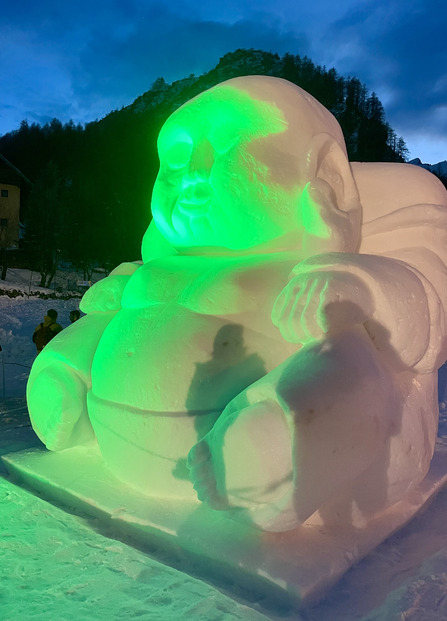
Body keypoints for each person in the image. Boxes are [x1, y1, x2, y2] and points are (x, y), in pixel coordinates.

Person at [26, 76, 447, 533]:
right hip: (115, 437)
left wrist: (356, 283)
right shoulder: (169, 253)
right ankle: (64, 382)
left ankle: (276, 452)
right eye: (175, 157)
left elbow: (425, 318)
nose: (193, 169)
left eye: (227, 145)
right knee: (115, 316)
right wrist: (123, 288)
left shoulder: (361, 233)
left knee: (350, 354)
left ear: (322, 169)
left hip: (305, 400)